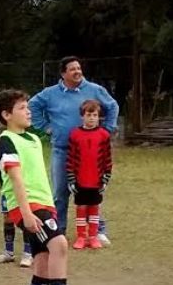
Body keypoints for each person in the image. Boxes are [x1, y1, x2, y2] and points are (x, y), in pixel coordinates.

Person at [28, 56, 118, 245]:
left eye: (79, 68)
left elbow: (112, 106)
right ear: (63, 74)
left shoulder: (94, 90)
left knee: (91, 189)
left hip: (90, 153)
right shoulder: (50, 93)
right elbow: (32, 106)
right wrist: (45, 127)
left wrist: (106, 130)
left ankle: (97, 230)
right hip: (62, 150)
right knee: (61, 192)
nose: (77, 72)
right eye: (72, 69)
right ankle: (58, 230)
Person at [0, 89, 68, 285]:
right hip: (28, 206)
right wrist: (26, 213)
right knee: (59, 245)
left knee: (42, 257)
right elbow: (16, 179)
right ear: (6, 115)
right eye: (22, 108)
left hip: (44, 204)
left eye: (28, 107)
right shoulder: (6, 141)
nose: (28, 112)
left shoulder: (33, 139)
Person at [66, 99, 113, 250]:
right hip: (80, 180)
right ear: (82, 116)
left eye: (95, 115)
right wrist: (71, 179)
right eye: (88, 114)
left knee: (94, 208)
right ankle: (81, 236)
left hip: (96, 180)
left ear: (99, 116)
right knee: (81, 208)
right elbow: (71, 158)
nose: (92, 118)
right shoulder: (75, 134)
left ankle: (93, 236)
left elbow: (107, 158)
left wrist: (105, 178)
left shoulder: (104, 135)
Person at [0, 179, 34, 267]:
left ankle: (28, 254)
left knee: (25, 216)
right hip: (7, 189)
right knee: (7, 217)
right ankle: (9, 252)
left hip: (24, 188)